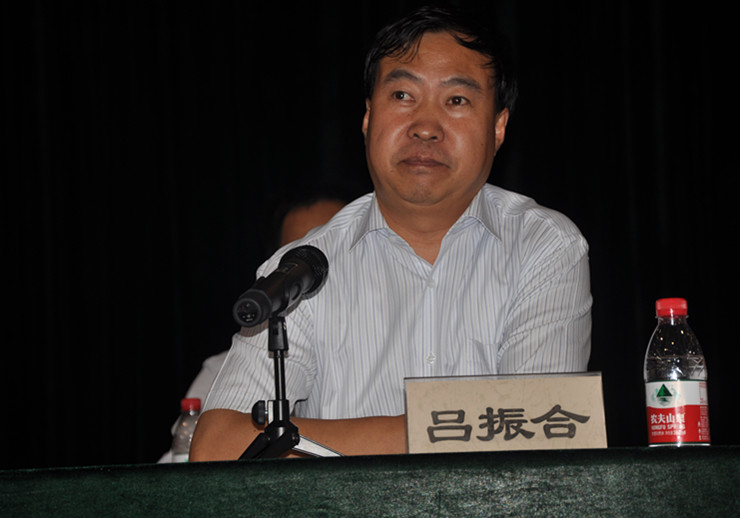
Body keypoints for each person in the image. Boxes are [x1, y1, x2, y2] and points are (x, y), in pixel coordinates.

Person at [190, 5, 592, 461]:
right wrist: (452, 429)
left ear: (498, 127)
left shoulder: (545, 247)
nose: (425, 127)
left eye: (456, 101)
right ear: (367, 117)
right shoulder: (302, 268)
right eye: (402, 95)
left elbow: (543, 437)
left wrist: (299, 443)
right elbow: (218, 446)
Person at [158, 193, 347, 462]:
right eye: (302, 258)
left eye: (327, 252)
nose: (314, 276)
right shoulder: (220, 372)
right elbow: (186, 460)